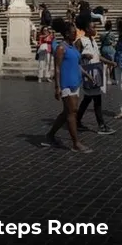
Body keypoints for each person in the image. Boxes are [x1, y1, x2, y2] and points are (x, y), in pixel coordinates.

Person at [41, 22, 92, 153]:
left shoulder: (73, 47)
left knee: (67, 112)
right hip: (66, 84)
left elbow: (77, 65)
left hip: (75, 82)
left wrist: (87, 75)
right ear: (67, 34)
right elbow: (57, 68)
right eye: (74, 32)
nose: (76, 34)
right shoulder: (60, 48)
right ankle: (76, 143)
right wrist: (57, 87)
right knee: (72, 112)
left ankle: (50, 135)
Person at [76, 21, 115, 135]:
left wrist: (110, 62)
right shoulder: (80, 41)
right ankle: (101, 125)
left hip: (96, 72)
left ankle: (77, 121)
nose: (95, 29)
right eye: (93, 27)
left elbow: (98, 56)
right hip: (88, 73)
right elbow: (75, 56)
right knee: (97, 99)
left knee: (88, 99)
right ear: (87, 29)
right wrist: (84, 55)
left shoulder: (93, 41)